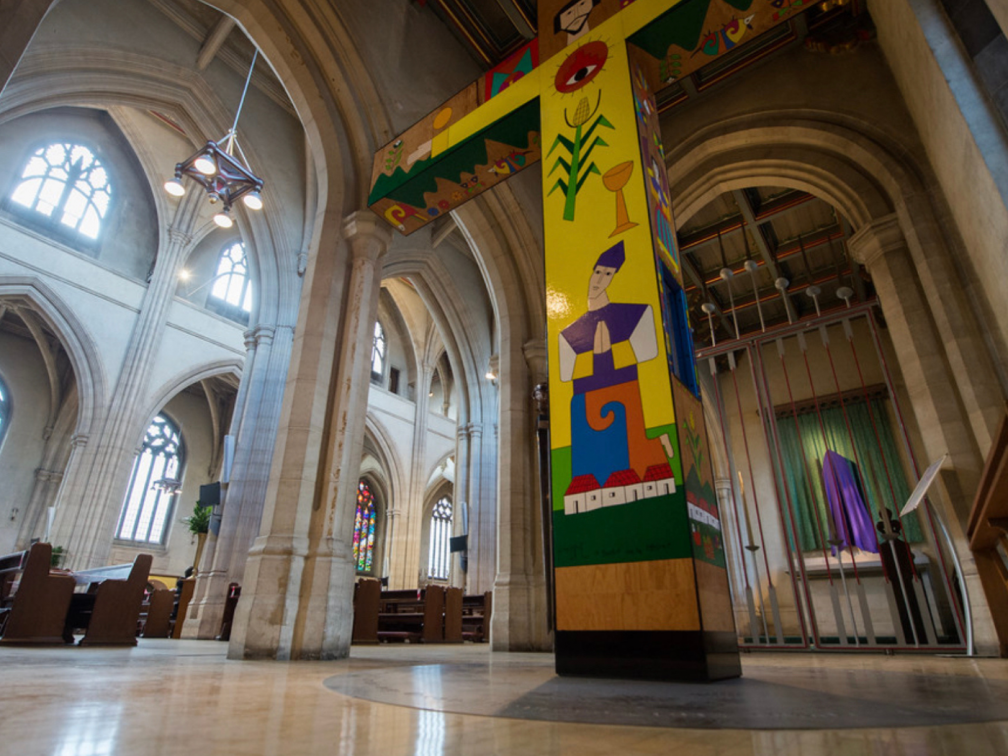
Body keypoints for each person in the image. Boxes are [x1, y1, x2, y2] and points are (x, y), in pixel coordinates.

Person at [558, 241, 669, 488]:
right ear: (591, 272)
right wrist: (598, 357)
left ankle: (654, 447)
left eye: (608, 274)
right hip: (586, 396)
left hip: (624, 388)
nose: (600, 279)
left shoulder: (635, 314)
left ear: (614, 278)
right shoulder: (569, 332)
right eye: (598, 272)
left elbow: (649, 352)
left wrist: (610, 354)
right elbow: (564, 375)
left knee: (629, 452)